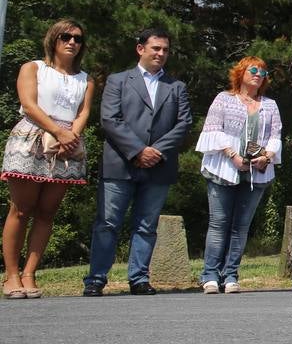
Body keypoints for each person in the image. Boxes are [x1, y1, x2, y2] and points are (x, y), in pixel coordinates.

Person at [84, 28, 193, 296]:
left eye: (165, 50)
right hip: (120, 164)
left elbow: (184, 123)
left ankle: (139, 278)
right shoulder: (118, 80)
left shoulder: (176, 86)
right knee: (108, 223)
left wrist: (155, 151)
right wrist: (137, 150)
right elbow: (110, 119)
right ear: (140, 49)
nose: (161, 54)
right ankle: (96, 279)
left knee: (146, 225)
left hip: (159, 166)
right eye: (156, 48)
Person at [2, 20, 94, 299]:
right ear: (53, 39)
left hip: (68, 143)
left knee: (47, 212)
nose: (72, 42)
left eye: (77, 39)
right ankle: (12, 275)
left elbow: (84, 112)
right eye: (66, 37)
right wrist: (57, 131)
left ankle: (30, 273)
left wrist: (71, 136)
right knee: (21, 209)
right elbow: (29, 104)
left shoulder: (85, 79)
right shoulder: (33, 68)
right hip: (33, 136)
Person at [194, 57, 283, 294]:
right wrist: (233, 155)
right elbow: (213, 130)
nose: (258, 74)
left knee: (241, 226)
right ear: (241, 73)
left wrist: (267, 156)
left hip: (256, 172)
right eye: (253, 69)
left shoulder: (270, 105)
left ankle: (231, 274)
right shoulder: (224, 99)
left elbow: (275, 136)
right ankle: (210, 275)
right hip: (224, 168)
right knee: (218, 223)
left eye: (262, 71)